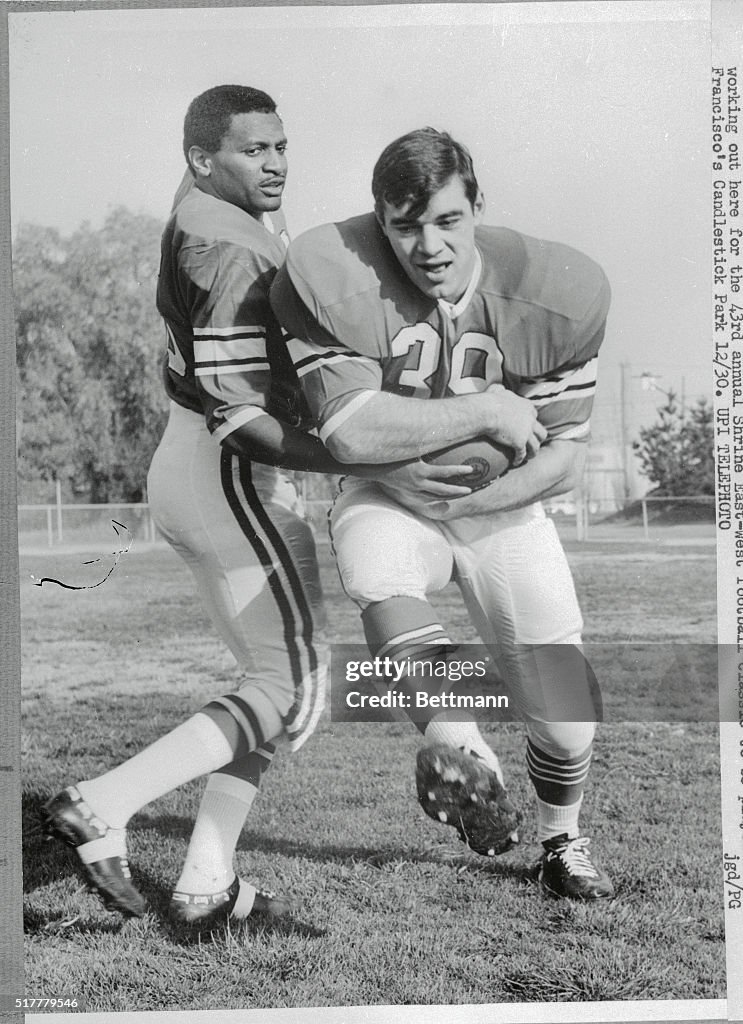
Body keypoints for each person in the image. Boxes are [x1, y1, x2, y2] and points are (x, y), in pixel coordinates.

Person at [42, 89, 518, 926]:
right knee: (293, 689)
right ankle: (103, 802)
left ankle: (205, 886)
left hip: (198, 465)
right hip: (227, 469)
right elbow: (245, 422)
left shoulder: (213, 216)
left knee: (274, 683)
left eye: (280, 147)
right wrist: (372, 456)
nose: (275, 165)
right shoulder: (225, 243)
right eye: (252, 151)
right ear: (200, 158)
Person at [270, 128, 614, 899]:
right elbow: (352, 429)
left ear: (476, 207)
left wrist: (476, 495)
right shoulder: (336, 275)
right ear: (378, 221)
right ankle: (461, 751)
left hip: (504, 510)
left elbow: (562, 456)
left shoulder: (551, 291)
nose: (428, 246)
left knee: (566, 721)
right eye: (404, 224)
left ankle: (560, 842)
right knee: (375, 561)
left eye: (447, 221)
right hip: (388, 494)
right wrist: (488, 407)